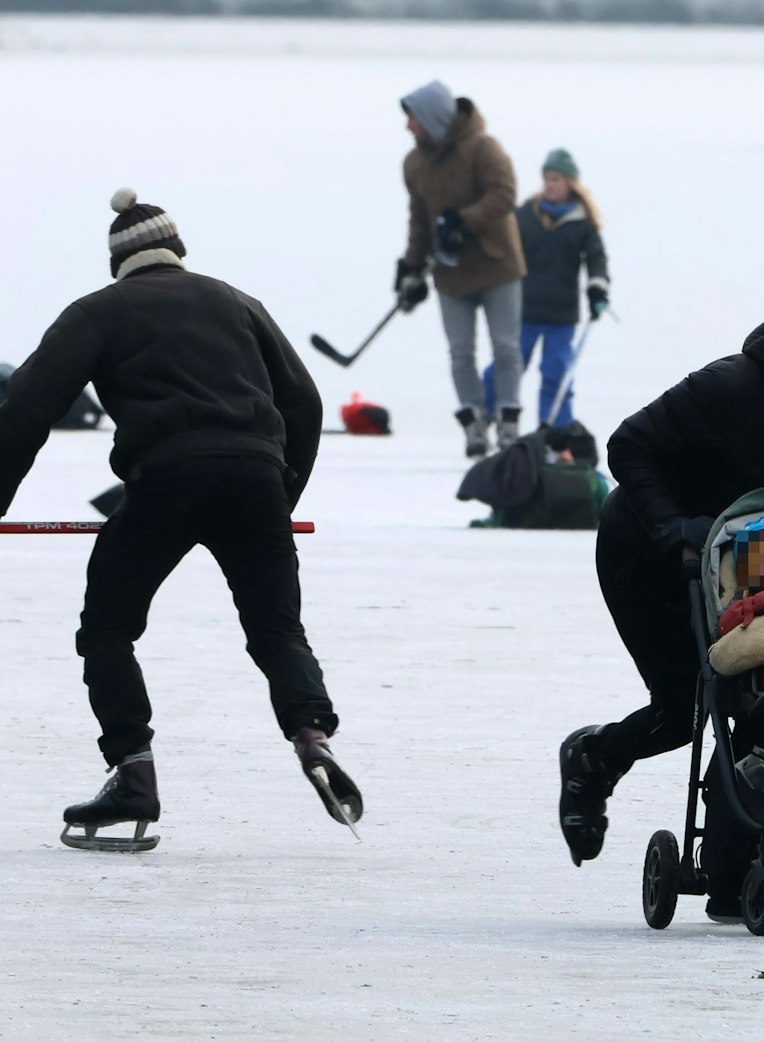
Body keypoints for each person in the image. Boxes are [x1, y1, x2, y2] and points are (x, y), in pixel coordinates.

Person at [0, 189, 362, 849]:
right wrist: (282, 496)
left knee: (108, 628)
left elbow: (26, 408)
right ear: (178, 250)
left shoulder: (95, 312)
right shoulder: (236, 301)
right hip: (256, 478)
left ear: (118, 265)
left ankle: (133, 773)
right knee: (278, 630)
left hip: (165, 480)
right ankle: (312, 736)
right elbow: (304, 402)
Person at [556, 265, 764, 898]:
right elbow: (628, 445)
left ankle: (738, 857)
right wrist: (674, 527)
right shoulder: (728, 386)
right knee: (683, 709)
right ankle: (594, 758)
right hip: (651, 559)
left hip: (757, 573)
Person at [395, 79, 528, 459]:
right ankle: (474, 424)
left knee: (505, 346)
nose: (408, 126)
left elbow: (504, 194)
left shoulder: (484, 148)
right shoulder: (414, 163)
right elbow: (419, 219)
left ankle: (508, 421)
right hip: (450, 273)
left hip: (497, 265)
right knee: (460, 352)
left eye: (413, 118)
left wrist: (462, 220)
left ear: (433, 118)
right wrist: (411, 267)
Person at [481, 147, 609, 430]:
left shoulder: (582, 223)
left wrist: (597, 288)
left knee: (557, 374)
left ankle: (555, 431)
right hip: (523, 310)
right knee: (507, 366)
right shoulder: (525, 215)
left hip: (561, 316)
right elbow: (502, 249)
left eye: (556, 179)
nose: (549, 185)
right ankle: (485, 411)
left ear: (570, 183)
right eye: (547, 179)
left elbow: (596, 259)